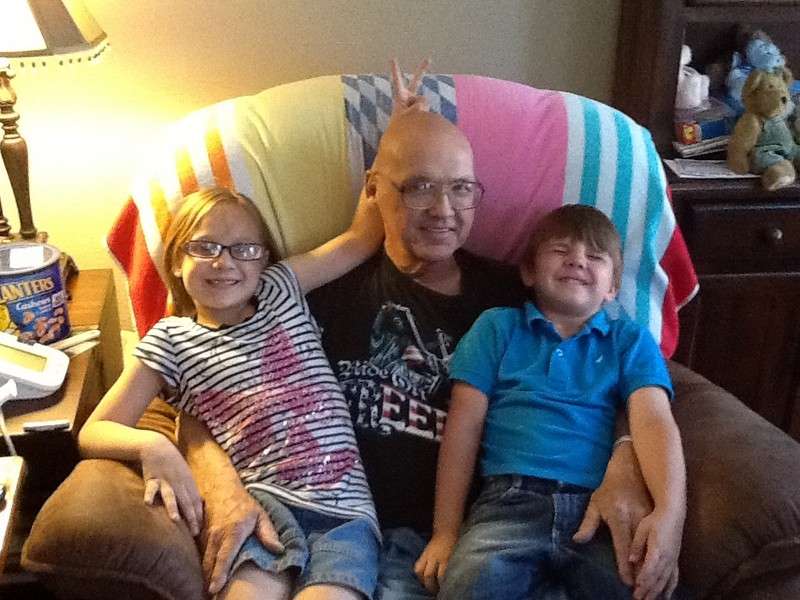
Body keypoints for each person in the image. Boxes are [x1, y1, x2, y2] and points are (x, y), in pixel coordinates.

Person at [179, 61, 663, 600]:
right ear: (374, 189)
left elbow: (616, 366)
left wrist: (625, 457)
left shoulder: (516, 296)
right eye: (419, 187)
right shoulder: (321, 292)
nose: (443, 210)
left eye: (461, 188)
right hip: (339, 529)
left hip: (485, 544)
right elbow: (206, 381)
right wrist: (218, 485)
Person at [78, 187, 385, 600]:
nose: (224, 262)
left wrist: (379, 177)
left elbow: (360, 239)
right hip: (260, 509)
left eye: (244, 249)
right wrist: (153, 446)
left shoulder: (280, 287)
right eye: (205, 247)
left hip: (344, 514)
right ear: (177, 259)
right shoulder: (171, 339)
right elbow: (95, 430)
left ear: (264, 260)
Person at [415, 205, 686, 600]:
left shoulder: (630, 340)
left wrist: (669, 514)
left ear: (613, 287)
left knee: (642, 587)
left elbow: (654, 422)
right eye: (561, 250)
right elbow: (463, 429)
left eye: (595, 256)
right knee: (468, 584)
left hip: (599, 509)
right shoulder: (496, 328)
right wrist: (445, 532)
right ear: (528, 271)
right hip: (507, 505)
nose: (577, 260)